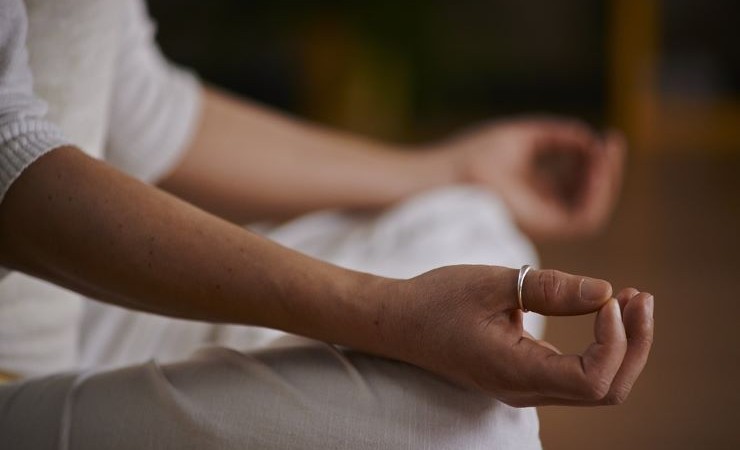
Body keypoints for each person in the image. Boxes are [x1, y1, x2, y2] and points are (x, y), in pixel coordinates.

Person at [0, 0, 654, 448]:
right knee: (465, 429)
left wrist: (453, 167)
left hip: (83, 309)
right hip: (14, 380)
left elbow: (141, 106)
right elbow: (12, 176)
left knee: (473, 220)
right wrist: (385, 313)